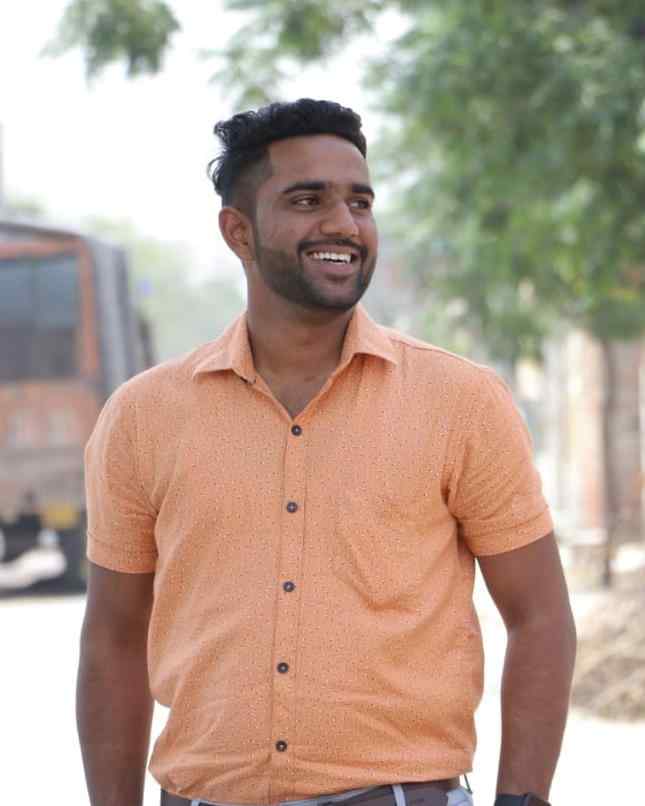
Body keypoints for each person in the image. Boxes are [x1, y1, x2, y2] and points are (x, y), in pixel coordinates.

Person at [77, 99, 576, 806]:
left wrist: (521, 802)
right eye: (307, 200)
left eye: (359, 202)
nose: (343, 224)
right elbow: (113, 640)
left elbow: (541, 617)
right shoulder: (143, 417)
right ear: (238, 231)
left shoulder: (460, 402)